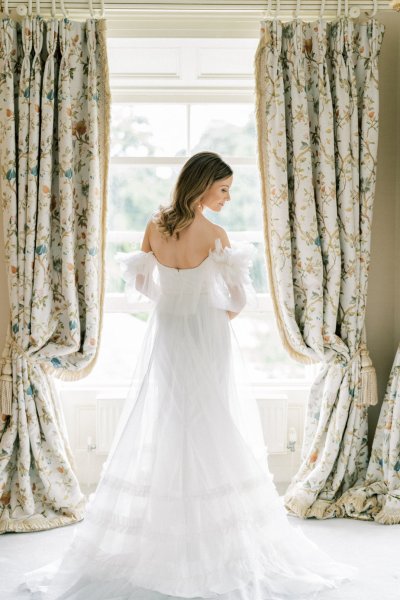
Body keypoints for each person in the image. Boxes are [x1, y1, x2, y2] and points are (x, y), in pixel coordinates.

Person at [23, 151, 358, 599]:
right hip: (206, 331)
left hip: (167, 331)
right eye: (223, 189)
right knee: (212, 420)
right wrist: (211, 308)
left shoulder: (154, 226)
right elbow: (239, 300)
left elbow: (141, 284)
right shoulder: (215, 234)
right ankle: (210, 530)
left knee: (168, 418)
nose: (227, 197)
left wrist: (170, 298)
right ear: (202, 186)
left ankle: (171, 520)